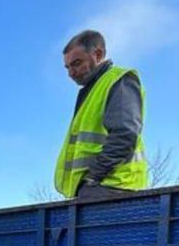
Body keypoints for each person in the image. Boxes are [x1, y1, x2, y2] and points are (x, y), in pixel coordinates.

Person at [54, 29, 148, 201]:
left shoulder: (118, 80)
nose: (71, 73)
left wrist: (93, 178)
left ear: (98, 54)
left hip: (113, 187)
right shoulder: (93, 90)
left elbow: (125, 134)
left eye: (76, 63)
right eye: (67, 67)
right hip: (98, 187)